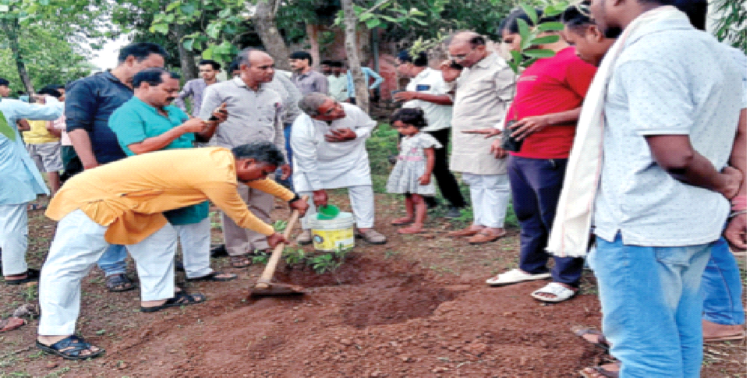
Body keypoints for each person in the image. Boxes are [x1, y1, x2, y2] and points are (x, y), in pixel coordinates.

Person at [547, 0, 745, 376]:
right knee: (681, 336)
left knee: (646, 355)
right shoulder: (717, 52)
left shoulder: (647, 54)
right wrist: (732, 196)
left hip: (643, 227)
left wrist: (724, 181)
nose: (593, 8)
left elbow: (676, 156)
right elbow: (738, 132)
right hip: (692, 223)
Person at [36, 142, 309, 360]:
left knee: (160, 237)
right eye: (263, 172)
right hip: (93, 197)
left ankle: (157, 296)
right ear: (247, 163)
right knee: (68, 266)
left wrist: (292, 198)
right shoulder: (218, 176)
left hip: (133, 201)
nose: (264, 178)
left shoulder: (222, 157)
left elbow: (254, 180)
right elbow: (239, 214)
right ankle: (53, 334)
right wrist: (271, 233)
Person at [480, 8, 597, 303]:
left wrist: (548, 120)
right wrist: (504, 135)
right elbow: (522, 105)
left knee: (559, 217)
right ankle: (531, 266)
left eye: (511, 39)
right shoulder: (536, 65)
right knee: (528, 215)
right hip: (523, 153)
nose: (510, 47)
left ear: (536, 29)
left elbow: (599, 107)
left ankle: (566, 278)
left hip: (553, 154)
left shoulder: (574, 59)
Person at [108, 67, 235, 282]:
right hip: (155, 180)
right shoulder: (126, 113)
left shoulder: (174, 111)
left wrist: (213, 121)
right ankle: (162, 281)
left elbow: (200, 137)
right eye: (169, 90)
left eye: (176, 90)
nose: (175, 95)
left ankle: (199, 269)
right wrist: (181, 129)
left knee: (197, 221)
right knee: (160, 232)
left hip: (187, 176)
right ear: (145, 86)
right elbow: (138, 148)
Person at [66, 42, 169, 292]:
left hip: (142, 165)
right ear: (131, 60)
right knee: (110, 215)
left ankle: (152, 263)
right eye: (151, 69)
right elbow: (76, 125)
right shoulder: (90, 86)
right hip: (105, 164)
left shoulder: (142, 90)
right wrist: (90, 165)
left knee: (144, 211)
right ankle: (113, 268)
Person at [200, 48, 290, 268]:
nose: (271, 71)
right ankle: (237, 249)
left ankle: (260, 243)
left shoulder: (273, 94)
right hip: (231, 160)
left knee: (262, 203)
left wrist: (282, 158)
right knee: (234, 206)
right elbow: (205, 125)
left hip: (264, 161)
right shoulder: (219, 91)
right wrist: (214, 160)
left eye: (271, 66)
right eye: (264, 67)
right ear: (243, 68)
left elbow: (276, 127)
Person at [440, 31, 514, 244]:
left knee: (493, 180)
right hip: (466, 136)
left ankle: (495, 226)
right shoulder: (468, 70)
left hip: (487, 135)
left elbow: (512, 103)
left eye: (461, 55)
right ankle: (479, 223)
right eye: (454, 56)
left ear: (480, 48)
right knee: (475, 179)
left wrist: (502, 134)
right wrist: (449, 82)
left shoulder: (499, 69)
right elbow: (463, 99)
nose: (457, 60)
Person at [292, 93, 387, 245]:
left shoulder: (351, 110)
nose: (339, 109)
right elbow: (306, 162)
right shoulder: (301, 129)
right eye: (330, 111)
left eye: (336, 104)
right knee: (305, 190)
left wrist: (355, 134)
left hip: (351, 158)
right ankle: (309, 228)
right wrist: (318, 190)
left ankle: (365, 228)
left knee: (362, 187)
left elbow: (368, 125)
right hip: (316, 162)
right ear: (315, 116)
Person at [0, 92, 63, 285]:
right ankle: (15, 270)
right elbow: (54, 112)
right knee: (12, 223)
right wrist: (50, 98)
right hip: (7, 173)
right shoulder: (6, 107)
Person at [394, 50, 466, 218]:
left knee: (439, 167)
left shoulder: (437, 77)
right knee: (415, 165)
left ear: (409, 64)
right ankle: (428, 199)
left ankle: (456, 202)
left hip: (435, 128)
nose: (398, 69)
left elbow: (451, 99)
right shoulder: (413, 81)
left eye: (398, 64)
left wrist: (417, 95)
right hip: (413, 131)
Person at [386, 108, 441, 234]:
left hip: (417, 172)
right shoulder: (405, 138)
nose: (401, 131)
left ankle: (418, 224)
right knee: (408, 194)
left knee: (417, 197)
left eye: (404, 127)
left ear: (417, 124)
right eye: (398, 128)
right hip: (406, 170)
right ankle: (409, 216)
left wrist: (427, 174)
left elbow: (430, 156)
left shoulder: (424, 138)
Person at [22, 88, 66, 197]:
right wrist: (61, 136)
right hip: (48, 141)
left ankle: (35, 192)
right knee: (52, 168)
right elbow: (50, 127)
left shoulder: (28, 107)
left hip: (30, 140)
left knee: (34, 168)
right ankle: (56, 193)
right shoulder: (49, 109)